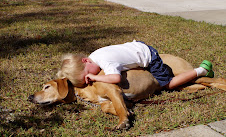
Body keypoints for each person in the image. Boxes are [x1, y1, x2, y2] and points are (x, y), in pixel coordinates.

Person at [57, 40, 214, 89]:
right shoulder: (94, 56)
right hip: (137, 46)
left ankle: (201, 70)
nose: (90, 77)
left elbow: (115, 78)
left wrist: (96, 78)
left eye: (87, 75)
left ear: (85, 61)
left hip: (148, 56)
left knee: (169, 84)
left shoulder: (105, 62)